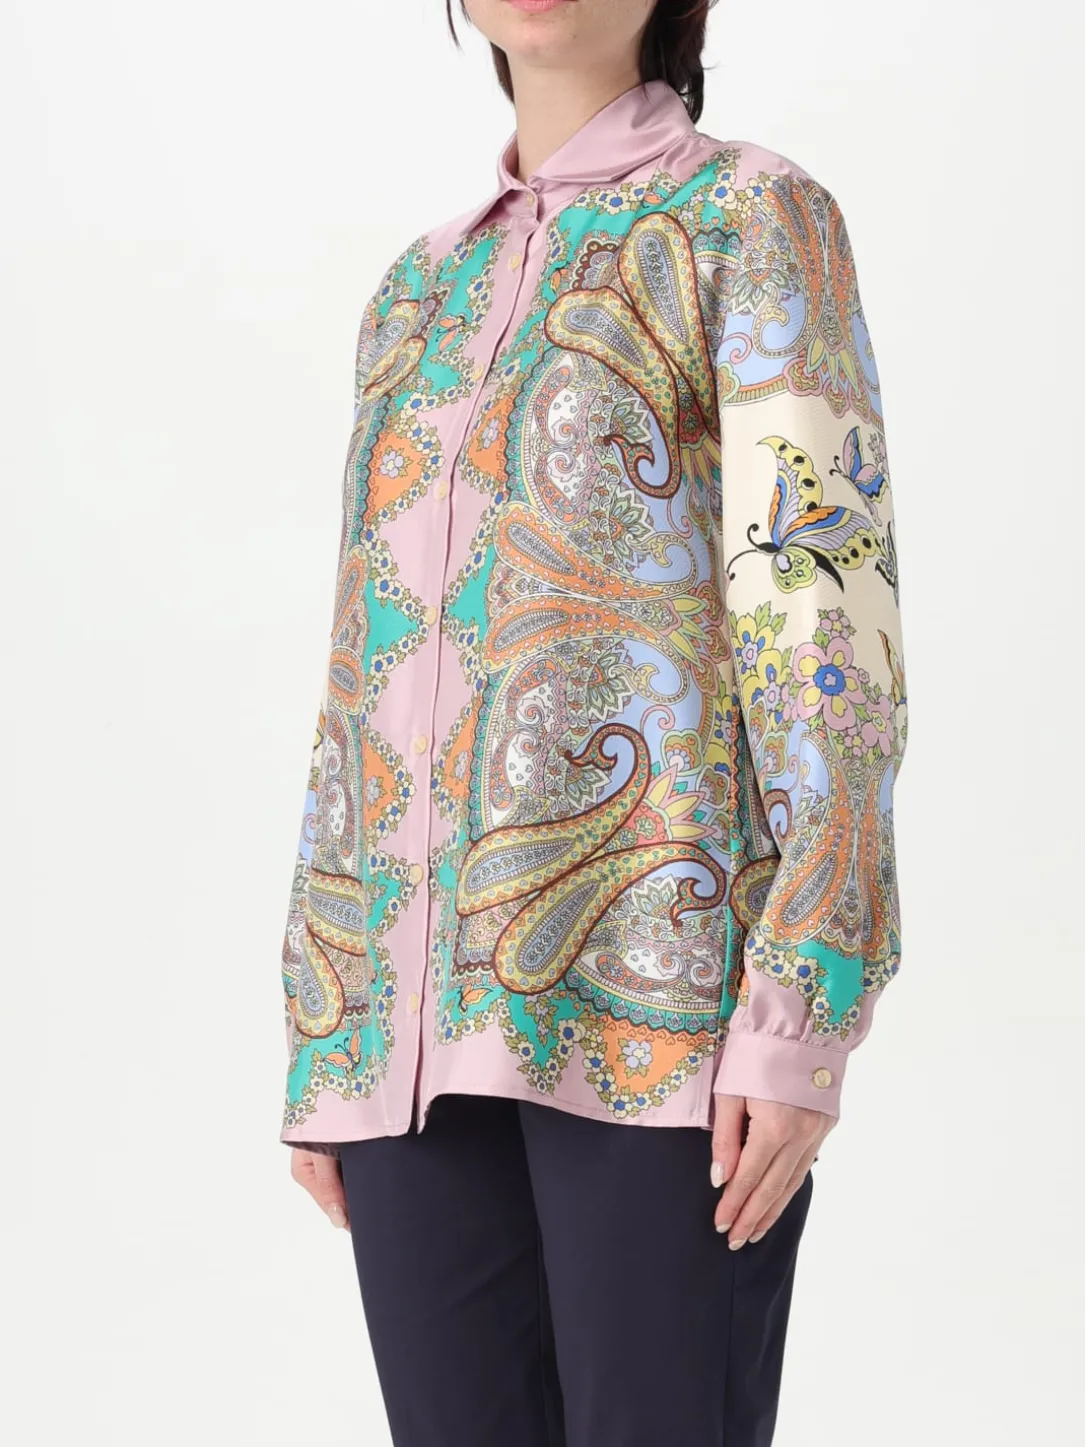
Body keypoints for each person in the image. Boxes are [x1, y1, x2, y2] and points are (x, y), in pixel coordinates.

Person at [277, 2, 907, 1442]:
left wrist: (803, 1008)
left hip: (666, 1012)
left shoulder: (754, 219)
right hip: (410, 1038)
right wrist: (328, 1024)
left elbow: (827, 625)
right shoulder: (417, 292)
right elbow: (365, 667)